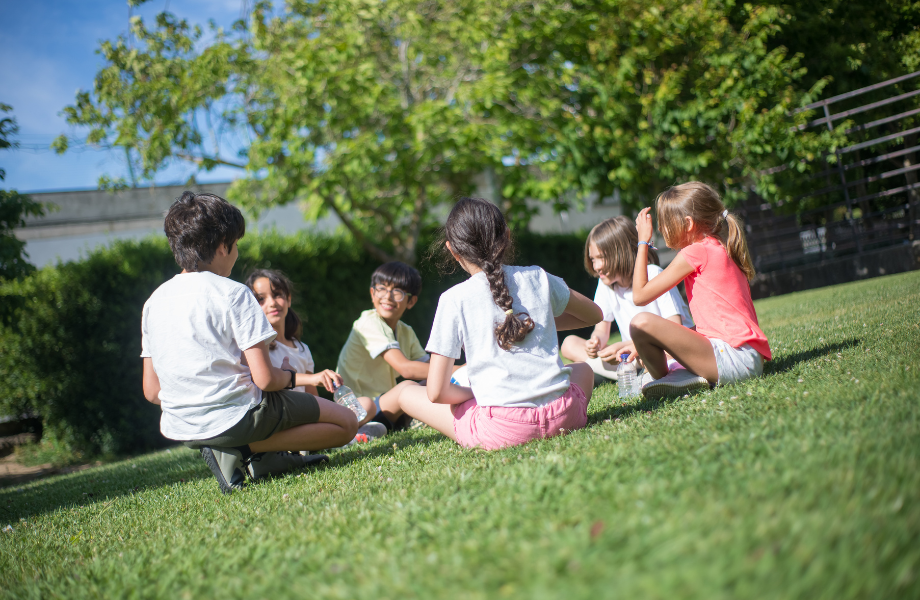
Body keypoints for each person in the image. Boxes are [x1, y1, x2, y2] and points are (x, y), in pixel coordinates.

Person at [141, 192, 357, 494]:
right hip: (240, 415)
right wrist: (297, 378)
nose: (237, 253)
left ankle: (253, 454)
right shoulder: (232, 293)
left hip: (183, 426)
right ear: (221, 246)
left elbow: (152, 391)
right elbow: (266, 380)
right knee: (346, 424)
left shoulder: (153, 303)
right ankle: (241, 447)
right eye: (236, 244)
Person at [386, 197, 604, 450]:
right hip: (565, 416)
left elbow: (436, 392)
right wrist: (538, 321)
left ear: (452, 250)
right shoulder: (538, 277)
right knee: (584, 370)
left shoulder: (453, 299)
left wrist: (476, 392)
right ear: (507, 236)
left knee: (404, 392)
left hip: (503, 430)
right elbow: (594, 315)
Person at [628, 182, 771, 398]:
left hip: (733, 359)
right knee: (652, 334)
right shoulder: (720, 246)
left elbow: (639, 295)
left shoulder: (696, 251)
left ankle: (668, 378)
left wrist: (642, 243)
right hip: (747, 359)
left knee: (640, 324)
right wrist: (664, 344)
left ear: (688, 224)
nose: (659, 229)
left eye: (665, 222)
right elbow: (716, 324)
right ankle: (678, 377)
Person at [244, 268, 385, 444]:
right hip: (281, 419)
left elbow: (314, 400)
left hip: (306, 416)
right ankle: (342, 437)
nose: (272, 303)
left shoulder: (303, 349)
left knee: (367, 404)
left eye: (277, 294)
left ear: (289, 299)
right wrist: (314, 378)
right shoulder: (259, 349)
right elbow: (266, 383)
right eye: (261, 299)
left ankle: (341, 435)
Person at [560, 216, 694, 380]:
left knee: (634, 355)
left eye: (601, 258)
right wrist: (595, 342)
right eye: (593, 259)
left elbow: (675, 329)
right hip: (632, 355)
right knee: (569, 343)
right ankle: (627, 371)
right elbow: (601, 329)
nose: (596, 266)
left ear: (622, 252)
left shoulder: (652, 274)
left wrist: (628, 345)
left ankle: (614, 372)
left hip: (669, 350)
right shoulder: (605, 285)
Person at [335, 261, 433, 433]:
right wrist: (459, 369)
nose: (388, 297)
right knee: (406, 387)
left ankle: (388, 426)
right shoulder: (368, 322)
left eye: (397, 291)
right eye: (382, 289)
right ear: (372, 294)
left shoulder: (405, 331)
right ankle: (362, 431)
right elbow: (406, 370)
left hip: (383, 407)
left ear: (411, 301)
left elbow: (429, 367)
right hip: (359, 410)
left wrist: (450, 374)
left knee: (431, 381)